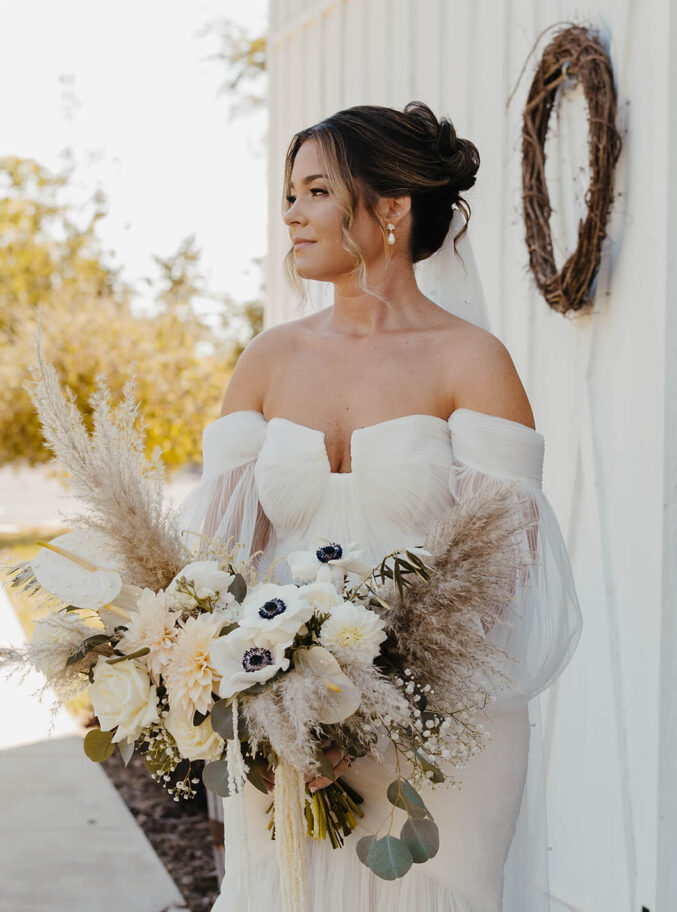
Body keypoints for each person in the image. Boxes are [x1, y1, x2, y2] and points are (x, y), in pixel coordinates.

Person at [178, 101, 583, 912]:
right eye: (290, 193)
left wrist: (371, 698)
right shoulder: (268, 358)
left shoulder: (470, 360)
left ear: (391, 209)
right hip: (285, 718)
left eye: (316, 191)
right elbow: (212, 562)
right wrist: (265, 690)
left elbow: (500, 566)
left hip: (440, 731)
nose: (291, 213)